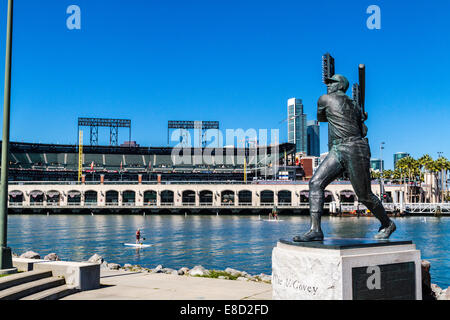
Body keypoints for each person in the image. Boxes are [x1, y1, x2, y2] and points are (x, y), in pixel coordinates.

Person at [293, 74, 396, 242]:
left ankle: (387, 223)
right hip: (338, 148)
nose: (328, 85)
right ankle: (315, 230)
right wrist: (359, 116)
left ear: (340, 85)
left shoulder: (325, 99)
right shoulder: (354, 106)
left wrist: (359, 117)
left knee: (364, 195)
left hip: (355, 148)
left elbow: (321, 118)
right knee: (315, 183)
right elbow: (363, 129)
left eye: (332, 83)